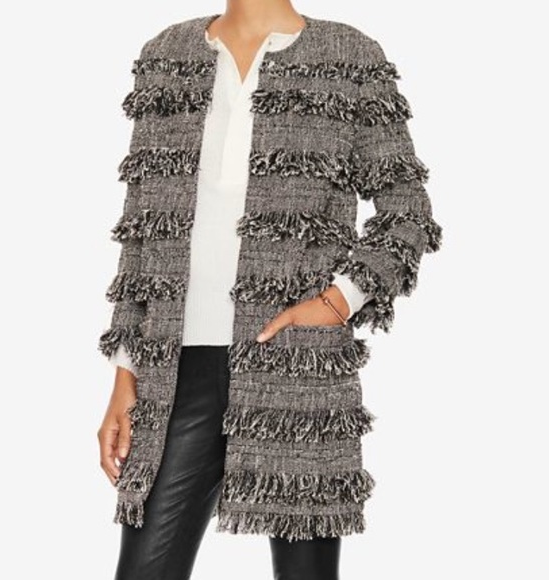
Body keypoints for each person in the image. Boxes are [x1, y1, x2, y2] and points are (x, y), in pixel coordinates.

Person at [97, 2, 443, 579]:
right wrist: (124, 374)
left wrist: (339, 301)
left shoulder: (347, 56)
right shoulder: (167, 55)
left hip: (297, 367)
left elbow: (408, 212)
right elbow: (141, 233)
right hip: (174, 372)